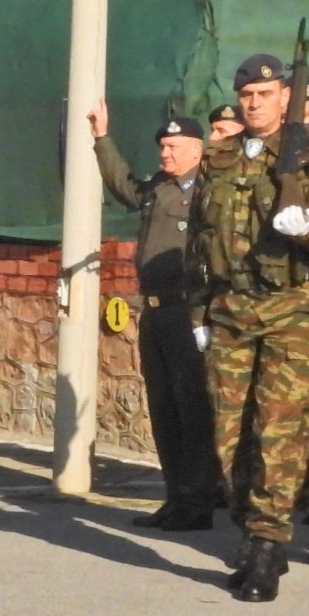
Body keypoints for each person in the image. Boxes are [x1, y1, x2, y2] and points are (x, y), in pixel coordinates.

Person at [187, 53, 309, 601]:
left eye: (265, 95)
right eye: (247, 96)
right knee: (228, 437)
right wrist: (198, 311)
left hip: (297, 313)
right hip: (232, 311)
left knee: (278, 432)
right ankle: (308, 509)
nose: (254, 104)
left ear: (285, 98)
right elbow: (198, 241)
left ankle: (266, 547)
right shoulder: (218, 160)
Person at [92, 102, 221, 529]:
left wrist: (207, 315)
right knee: (163, 410)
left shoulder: (207, 191)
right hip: (155, 311)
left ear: (197, 149)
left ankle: (200, 501)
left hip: (188, 310)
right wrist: (102, 138)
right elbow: (124, 187)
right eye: (162, 146)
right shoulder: (160, 187)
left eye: (173, 146)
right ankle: (176, 496)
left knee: (192, 410)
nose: (165, 154)